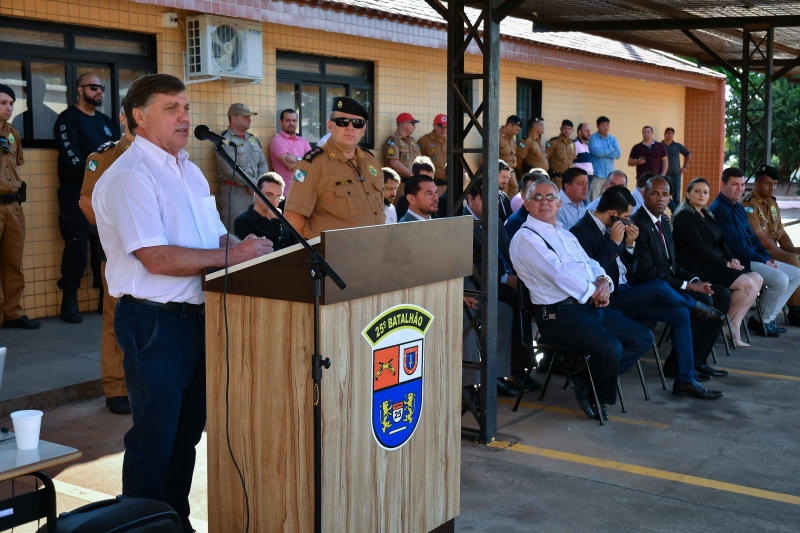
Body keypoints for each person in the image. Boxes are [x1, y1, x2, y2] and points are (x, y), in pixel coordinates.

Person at [92, 73, 273, 533]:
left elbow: (213, 238)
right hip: (153, 322)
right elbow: (155, 257)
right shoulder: (129, 175)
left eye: (186, 107)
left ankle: (174, 521)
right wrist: (233, 256)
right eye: (171, 108)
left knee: (186, 435)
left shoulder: (188, 170)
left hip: (198, 318)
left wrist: (247, 249)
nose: (185, 117)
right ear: (139, 116)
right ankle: (141, 526)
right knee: (154, 439)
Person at [509, 178, 652, 421]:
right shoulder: (526, 238)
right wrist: (594, 291)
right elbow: (557, 274)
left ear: (558, 204)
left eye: (550, 197)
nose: (544, 202)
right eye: (537, 197)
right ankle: (596, 395)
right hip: (558, 315)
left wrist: (604, 281)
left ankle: (586, 377)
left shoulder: (565, 234)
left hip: (588, 306)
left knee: (642, 338)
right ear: (527, 203)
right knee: (611, 348)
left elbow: (590, 263)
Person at [571, 187, 723, 398]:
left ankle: (685, 380)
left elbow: (627, 268)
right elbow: (591, 272)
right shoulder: (580, 232)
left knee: (680, 315)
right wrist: (614, 243)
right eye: (626, 217)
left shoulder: (611, 227)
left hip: (629, 291)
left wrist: (629, 245)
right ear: (613, 214)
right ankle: (695, 306)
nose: (628, 221)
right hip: (608, 299)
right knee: (658, 287)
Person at [632, 176, 731, 379]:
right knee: (704, 301)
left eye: (665, 194)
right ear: (644, 195)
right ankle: (677, 365)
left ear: (670, 197)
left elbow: (673, 265)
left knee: (721, 294)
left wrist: (695, 281)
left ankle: (698, 360)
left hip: (671, 282)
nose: (660, 198)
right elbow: (646, 273)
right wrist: (688, 286)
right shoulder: (638, 223)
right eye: (654, 193)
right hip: (652, 288)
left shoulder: (664, 221)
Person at [77, 105, 134, 414]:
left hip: (159, 252)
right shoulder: (104, 157)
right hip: (117, 251)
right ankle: (116, 387)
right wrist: (114, 235)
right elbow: (86, 203)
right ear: (124, 118)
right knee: (115, 318)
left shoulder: (164, 155)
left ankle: (142, 383)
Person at [464, 177, 540, 396]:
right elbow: (474, 267)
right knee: (513, 305)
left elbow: (510, 255)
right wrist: (507, 279)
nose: (491, 205)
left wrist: (520, 276)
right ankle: (502, 373)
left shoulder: (496, 222)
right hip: (482, 287)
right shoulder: (463, 224)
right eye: (484, 199)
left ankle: (521, 369)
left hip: (504, 281)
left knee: (530, 301)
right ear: (470, 199)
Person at [54, 72, 118, 324]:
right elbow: (73, 161)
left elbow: (118, 156)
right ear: (80, 90)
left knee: (106, 248)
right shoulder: (67, 119)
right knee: (76, 247)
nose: (99, 91)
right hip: (76, 195)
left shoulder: (106, 122)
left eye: (101, 87)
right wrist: (102, 172)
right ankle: (69, 300)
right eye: (93, 87)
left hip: (106, 197)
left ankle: (106, 298)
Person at [710, 167, 800, 337]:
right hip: (739, 261)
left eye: (742, 184)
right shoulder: (720, 209)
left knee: (796, 274)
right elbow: (736, 246)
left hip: (752, 257)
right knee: (780, 279)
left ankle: (766, 319)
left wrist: (767, 257)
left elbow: (752, 237)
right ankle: (762, 321)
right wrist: (763, 260)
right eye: (734, 184)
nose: (740, 189)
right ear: (722, 185)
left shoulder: (736, 206)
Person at [672, 178, 762, 347]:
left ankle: (733, 323)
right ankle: (721, 323)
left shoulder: (707, 214)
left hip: (715, 263)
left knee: (757, 279)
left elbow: (721, 243)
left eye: (705, 192)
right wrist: (724, 262)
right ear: (688, 194)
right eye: (697, 191)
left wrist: (731, 258)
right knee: (746, 284)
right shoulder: (684, 217)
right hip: (697, 267)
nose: (701, 195)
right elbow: (699, 247)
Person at [284, 97, 385, 239]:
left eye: (357, 123)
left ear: (363, 130)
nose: (350, 127)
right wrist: (319, 249)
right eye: (343, 122)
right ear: (330, 126)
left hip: (375, 246)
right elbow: (293, 218)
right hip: (336, 251)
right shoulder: (313, 164)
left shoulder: (371, 161)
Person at [0, 84, 39, 330]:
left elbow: (16, 165)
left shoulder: (13, 133)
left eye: (11, 103)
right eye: (3, 103)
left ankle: (12, 312)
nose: (9, 108)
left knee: (13, 262)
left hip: (13, 206)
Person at [741, 165, 800, 326]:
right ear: (756, 184)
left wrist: (794, 252)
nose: (772, 187)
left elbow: (781, 234)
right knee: (792, 259)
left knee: (796, 255)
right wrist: (789, 255)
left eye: (774, 184)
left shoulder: (772, 203)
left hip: (773, 248)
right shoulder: (748, 204)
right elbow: (760, 238)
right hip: (760, 251)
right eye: (768, 184)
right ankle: (795, 309)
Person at [214, 103, 269, 232]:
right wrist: (255, 186)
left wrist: (260, 185)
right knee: (235, 233)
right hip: (235, 193)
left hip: (255, 193)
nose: (250, 119)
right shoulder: (224, 140)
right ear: (234, 118)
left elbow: (263, 163)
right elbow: (231, 170)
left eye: (250, 116)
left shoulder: (252, 139)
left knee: (256, 232)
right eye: (245, 117)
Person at [233, 172, 291, 250]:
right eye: (269, 195)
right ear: (256, 193)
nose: (273, 201)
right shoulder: (243, 221)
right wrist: (275, 222)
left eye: (278, 197)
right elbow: (268, 251)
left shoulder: (284, 220)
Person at [269, 108, 312, 197]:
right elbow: (291, 166)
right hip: (285, 193)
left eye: (294, 120)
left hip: (304, 191)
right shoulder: (277, 141)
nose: (291, 123)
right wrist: (306, 162)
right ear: (281, 122)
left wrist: (297, 159)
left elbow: (315, 162)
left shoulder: (303, 141)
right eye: (288, 120)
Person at [382, 112, 421, 196]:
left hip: (413, 183)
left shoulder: (411, 141)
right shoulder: (393, 140)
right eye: (413, 124)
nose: (414, 127)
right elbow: (394, 162)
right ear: (405, 124)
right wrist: (412, 175)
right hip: (401, 184)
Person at [505, 170, 548, 239]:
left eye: (544, 193)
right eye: (533, 192)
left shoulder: (542, 216)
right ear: (522, 194)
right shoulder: (517, 223)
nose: (540, 197)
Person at [588, 116, 620, 200]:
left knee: (607, 200)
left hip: (609, 176)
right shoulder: (593, 138)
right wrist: (611, 150)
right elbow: (596, 152)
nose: (606, 127)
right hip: (597, 175)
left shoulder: (612, 139)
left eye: (607, 125)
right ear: (597, 126)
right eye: (603, 125)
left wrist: (604, 153)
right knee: (594, 200)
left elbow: (618, 154)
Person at [416, 114, 448, 196]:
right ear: (434, 125)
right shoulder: (424, 141)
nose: (444, 130)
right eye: (441, 126)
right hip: (432, 185)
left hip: (448, 185)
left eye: (446, 127)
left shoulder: (451, 141)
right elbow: (416, 163)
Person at [662, 127, 691, 210]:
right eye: (668, 133)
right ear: (665, 134)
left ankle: (676, 214)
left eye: (672, 133)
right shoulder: (660, 145)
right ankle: (676, 211)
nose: (670, 135)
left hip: (675, 174)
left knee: (676, 198)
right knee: (663, 194)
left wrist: (685, 167)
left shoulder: (677, 146)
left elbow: (689, 154)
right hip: (663, 175)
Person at [545, 120, 576, 190]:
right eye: (565, 128)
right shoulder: (553, 142)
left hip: (569, 179)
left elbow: (572, 159)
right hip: (556, 179)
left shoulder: (572, 144)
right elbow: (546, 159)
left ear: (572, 131)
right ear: (561, 129)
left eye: (569, 129)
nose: (567, 131)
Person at [498, 115, 522, 198]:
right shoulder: (497, 137)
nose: (517, 132)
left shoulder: (512, 138)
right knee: (503, 193)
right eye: (516, 129)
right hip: (501, 172)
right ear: (509, 126)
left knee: (514, 190)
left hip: (511, 171)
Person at [573, 123, 594, 196]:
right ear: (579, 132)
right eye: (586, 131)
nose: (589, 133)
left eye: (589, 131)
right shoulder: (575, 144)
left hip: (589, 179)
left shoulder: (586, 145)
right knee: (585, 202)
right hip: (581, 181)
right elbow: (570, 162)